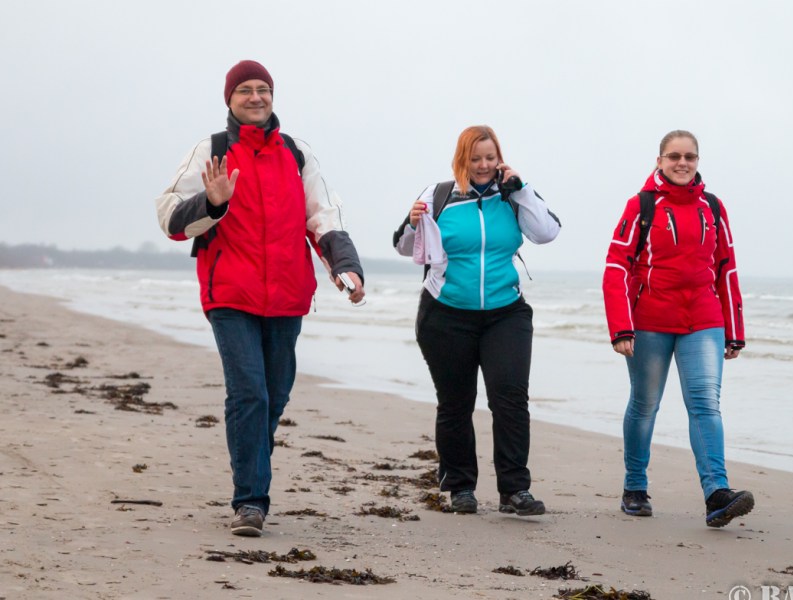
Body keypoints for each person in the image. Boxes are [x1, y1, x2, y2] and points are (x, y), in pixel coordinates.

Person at [154, 60, 365, 537]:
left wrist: (346, 266)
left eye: (263, 89)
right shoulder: (211, 151)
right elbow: (169, 216)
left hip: (289, 293)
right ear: (229, 99)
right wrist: (212, 202)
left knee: (274, 395)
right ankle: (251, 500)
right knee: (249, 391)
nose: (255, 97)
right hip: (230, 293)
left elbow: (323, 217)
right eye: (245, 90)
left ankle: (251, 467)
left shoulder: (296, 153)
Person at [393, 125, 561, 516]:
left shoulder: (513, 196)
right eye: (476, 158)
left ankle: (515, 490)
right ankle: (460, 487)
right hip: (446, 314)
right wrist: (414, 222)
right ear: (462, 159)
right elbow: (403, 248)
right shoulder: (437, 196)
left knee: (511, 399)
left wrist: (519, 188)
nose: (484, 165)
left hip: (506, 313)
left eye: (490, 157)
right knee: (455, 403)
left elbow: (548, 232)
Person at [601, 130, 754, 528]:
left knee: (705, 403)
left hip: (704, 321)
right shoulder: (641, 205)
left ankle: (717, 494)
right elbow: (616, 267)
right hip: (650, 321)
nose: (682, 163)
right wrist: (621, 328)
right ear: (659, 161)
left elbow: (726, 269)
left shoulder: (714, 207)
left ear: (698, 161)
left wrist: (734, 329)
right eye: (674, 156)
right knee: (645, 404)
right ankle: (635, 487)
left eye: (690, 156)